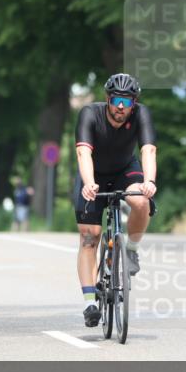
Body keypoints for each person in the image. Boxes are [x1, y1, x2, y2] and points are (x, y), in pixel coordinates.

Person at [74, 73, 157, 328]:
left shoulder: (141, 114)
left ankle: (130, 250)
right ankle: (90, 302)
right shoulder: (90, 114)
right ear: (108, 99)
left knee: (141, 202)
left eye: (127, 101)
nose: (121, 106)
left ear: (134, 103)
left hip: (125, 170)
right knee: (90, 237)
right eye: (117, 100)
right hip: (94, 174)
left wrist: (149, 181)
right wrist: (89, 183)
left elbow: (148, 150)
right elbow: (83, 152)